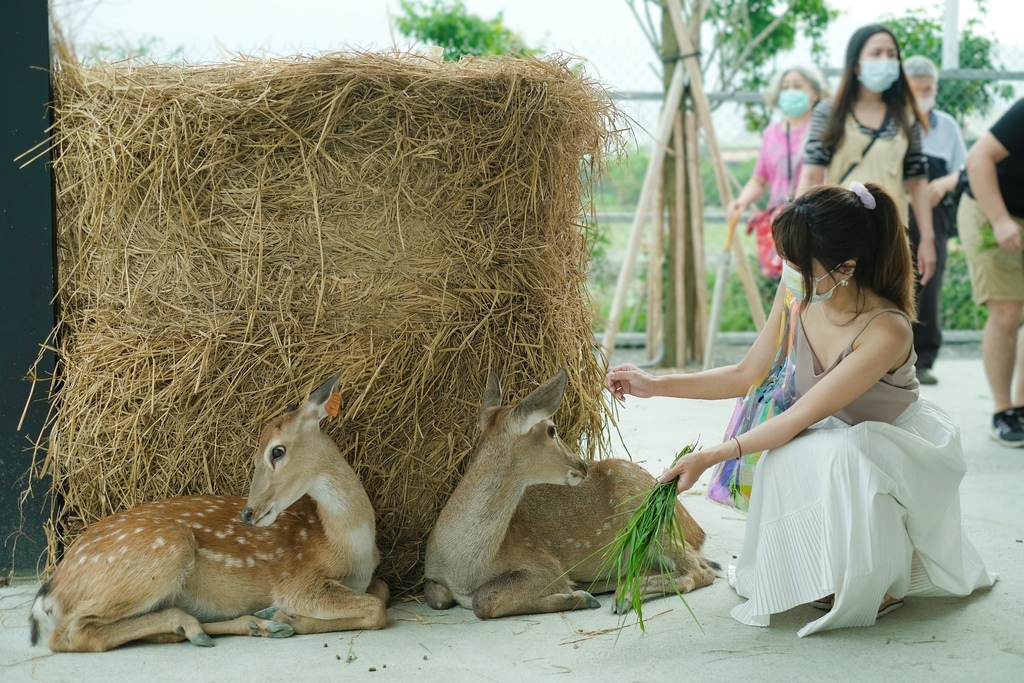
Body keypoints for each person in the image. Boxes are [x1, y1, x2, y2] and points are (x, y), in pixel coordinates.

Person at [606, 182, 996, 637]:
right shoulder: (802, 292)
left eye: (796, 262)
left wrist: (709, 456)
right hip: (836, 430)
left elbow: (797, 418)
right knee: (796, 455)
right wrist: (656, 384)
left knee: (841, 454)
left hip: (897, 444)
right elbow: (745, 373)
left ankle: (880, 582)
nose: (785, 270)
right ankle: (819, 568)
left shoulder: (886, 328)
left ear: (845, 268)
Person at [797, 24, 937, 291]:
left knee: (888, 313)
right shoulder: (830, 112)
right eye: (876, 53)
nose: (885, 60)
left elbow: (918, 181)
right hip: (840, 232)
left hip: (891, 234)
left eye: (891, 54)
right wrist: (802, 231)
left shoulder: (907, 116)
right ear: (856, 64)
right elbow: (812, 174)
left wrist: (928, 238)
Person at [960, 98, 1024, 446]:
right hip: (990, 209)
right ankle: (1003, 411)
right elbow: (978, 157)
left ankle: (1021, 405)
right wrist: (1000, 221)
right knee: (1007, 311)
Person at [902, 55, 969, 385]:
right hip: (898, 210)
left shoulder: (947, 126)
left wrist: (944, 183)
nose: (924, 95)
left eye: (929, 89)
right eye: (917, 90)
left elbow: (964, 169)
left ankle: (923, 360)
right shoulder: (895, 122)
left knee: (929, 281)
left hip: (935, 214)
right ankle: (890, 358)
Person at [728, 65, 829, 279]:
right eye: (785, 87)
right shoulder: (771, 134)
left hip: (816, 220)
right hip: (782, 223)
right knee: (783, 289)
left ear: (814, 93)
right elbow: (759, 179)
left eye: (797, 86)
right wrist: (741, 201)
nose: (790, 91)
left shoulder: (824, 130)